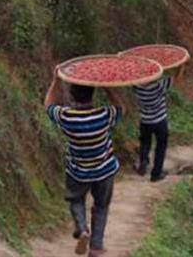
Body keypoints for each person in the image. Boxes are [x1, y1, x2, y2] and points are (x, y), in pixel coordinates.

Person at [45, 68, 123, 257]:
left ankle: (82, 229)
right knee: (101, 206)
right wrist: (108, 87)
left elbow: (48, 105)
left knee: (76, 199)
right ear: (92, 95)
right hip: (104, 170)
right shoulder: (104, 115)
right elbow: (121, 109)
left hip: (78, 171)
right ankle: (96, 247)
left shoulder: (67, 117)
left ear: (72, 96)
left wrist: (56, 81)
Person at [132, 67, 181, 182]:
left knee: (145, 142)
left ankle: (143, 160)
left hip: (145, 121)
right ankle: (156, 174)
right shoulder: (159, 86)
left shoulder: (137, 87)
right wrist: (181, 66)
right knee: (160, 147)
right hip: (160, 121)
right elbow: (176, 78)